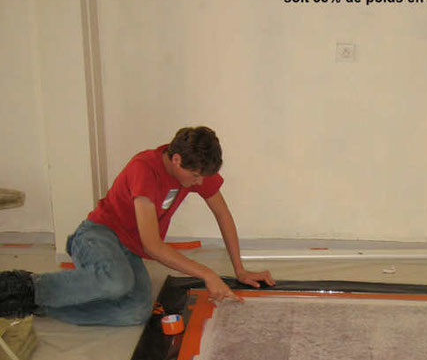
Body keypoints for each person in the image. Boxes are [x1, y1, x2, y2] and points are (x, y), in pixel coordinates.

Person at [0, 126, 274, 325]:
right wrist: (207, 274)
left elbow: (222, 214)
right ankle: (22, 287)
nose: (199, 183)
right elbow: (152, 245)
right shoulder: (145, 168)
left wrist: (239, 269)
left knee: (135, 312)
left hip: (129, 249)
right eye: (194, 176)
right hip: (98, 234)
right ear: (176, 159)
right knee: (117, 281)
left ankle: (39, 306)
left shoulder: (196, 168)